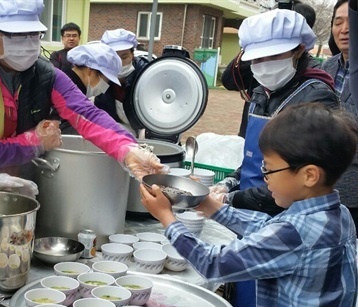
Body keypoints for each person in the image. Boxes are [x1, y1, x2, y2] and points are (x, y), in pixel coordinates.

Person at [140, 102, 358, 306]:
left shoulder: (295, 234)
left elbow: (213, 263)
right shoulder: (340, 215)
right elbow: (267, 227)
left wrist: (166, 218)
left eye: (270, 169)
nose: (265, 177)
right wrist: (206, 203)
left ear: (309, 175)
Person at [0, 0, 165, 186]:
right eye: (17, 36)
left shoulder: (45, 75)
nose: (29, 44)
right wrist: (33, 142)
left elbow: (86, 114)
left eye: (34, 35)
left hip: (21, 183)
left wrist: (127, 149)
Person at [209, 9, 339, 306]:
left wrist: (232, 201)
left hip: (288, 226)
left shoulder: (316, 97)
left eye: (273, 57)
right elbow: (254, 156)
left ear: (299, 50)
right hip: (251, 219)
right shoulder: (260, 92)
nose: (263, 67)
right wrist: (230, 183)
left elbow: (299, 182)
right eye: (257, 59)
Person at [222, 0, 320, 138]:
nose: (265, 65)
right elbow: (229, 81)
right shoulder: (259, 89)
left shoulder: (315, 89)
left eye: (274, 55)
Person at [320, 0, 358, 231]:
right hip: (322, 188)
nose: (344, 29)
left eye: (351, 21)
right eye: (337, 22)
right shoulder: (326, 68)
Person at [94, 28, 150, 133]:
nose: (119, 63)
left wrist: (147, 131)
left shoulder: (146, 75)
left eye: (124, 57)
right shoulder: (102, 79)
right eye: (114, 58)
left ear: (132, 56)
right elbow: (99, 112)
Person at [60, 43, 122, 134]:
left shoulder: (75, 87)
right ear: (90, 71)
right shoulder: (67, 90)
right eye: (105, 80)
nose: (105, 86)